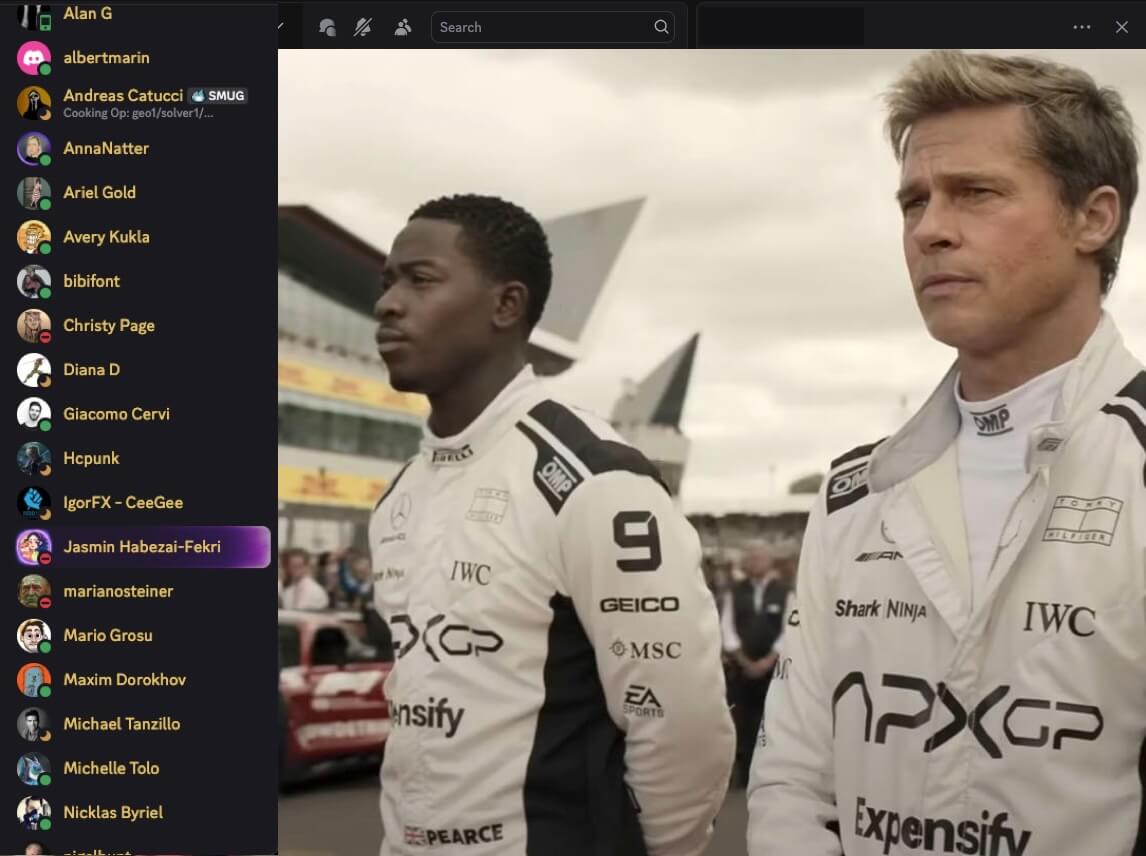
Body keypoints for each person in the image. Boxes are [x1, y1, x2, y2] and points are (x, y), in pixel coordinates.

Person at [748, 50, 1144, 855]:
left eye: (976, 192)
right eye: (913, 202)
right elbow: (791, 774)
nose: (930, 229)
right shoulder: (853, 491)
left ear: (1092, 218)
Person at [369, 194, 734, 856]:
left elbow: (682, 723)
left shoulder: (595, 481)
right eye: (388, 281)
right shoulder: (400, 497)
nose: (389, 303)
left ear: (506, 306)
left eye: (420, 280)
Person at [720, 541, 789, 788]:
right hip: (741, 670)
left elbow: (789, 629)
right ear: (746, 563)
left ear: (769, 560)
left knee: (774, 721)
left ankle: (774, 773)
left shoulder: (785, 591)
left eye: (760, 557)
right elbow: (726, 628)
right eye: (752, 557)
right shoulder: (734, 591)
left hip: (775, 669)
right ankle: (746, 772)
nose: (756, 561)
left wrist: (770, 660)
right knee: (743, 721)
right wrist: (744, 660)